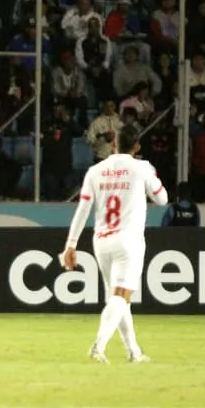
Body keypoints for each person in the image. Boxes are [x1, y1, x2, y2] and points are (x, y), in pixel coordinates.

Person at [63, 125, 169, 364]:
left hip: (101, 241)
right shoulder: (141, 168)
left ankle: (134, 351)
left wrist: (71, 244)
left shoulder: (95, 171)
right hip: (128, 241)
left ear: (113, 144)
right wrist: (151, 175)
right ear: (137, 146)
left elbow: (83, 209)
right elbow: (162, 199)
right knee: (121, 296)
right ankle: (98, 346)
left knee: (119, 299)